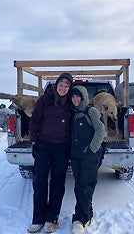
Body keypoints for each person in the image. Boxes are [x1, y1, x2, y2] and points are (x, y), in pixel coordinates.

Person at [27, 73, 73, 233]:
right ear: (57, 85)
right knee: (39, 181)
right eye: (61, 84)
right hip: (43, 146)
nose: (63, 88)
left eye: (67, 86)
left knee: (58, 183)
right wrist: (33, 141)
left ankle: (52, 218)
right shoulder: (44, 100)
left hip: (62, 147)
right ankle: (38, 219)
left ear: (69, 88)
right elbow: (34, 121)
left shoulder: (71, 103)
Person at [69, 86, 105, 234]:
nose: (75, 99)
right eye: (73, 97)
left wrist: (92, 149)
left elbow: (100, 130)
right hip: (76, 154)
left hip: (90, 154)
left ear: (83, 97)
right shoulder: (72, 113)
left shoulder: (92, 112)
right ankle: (88, 215)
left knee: (85, 185)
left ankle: (80, 219)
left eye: (78, 96)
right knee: (80, 185)